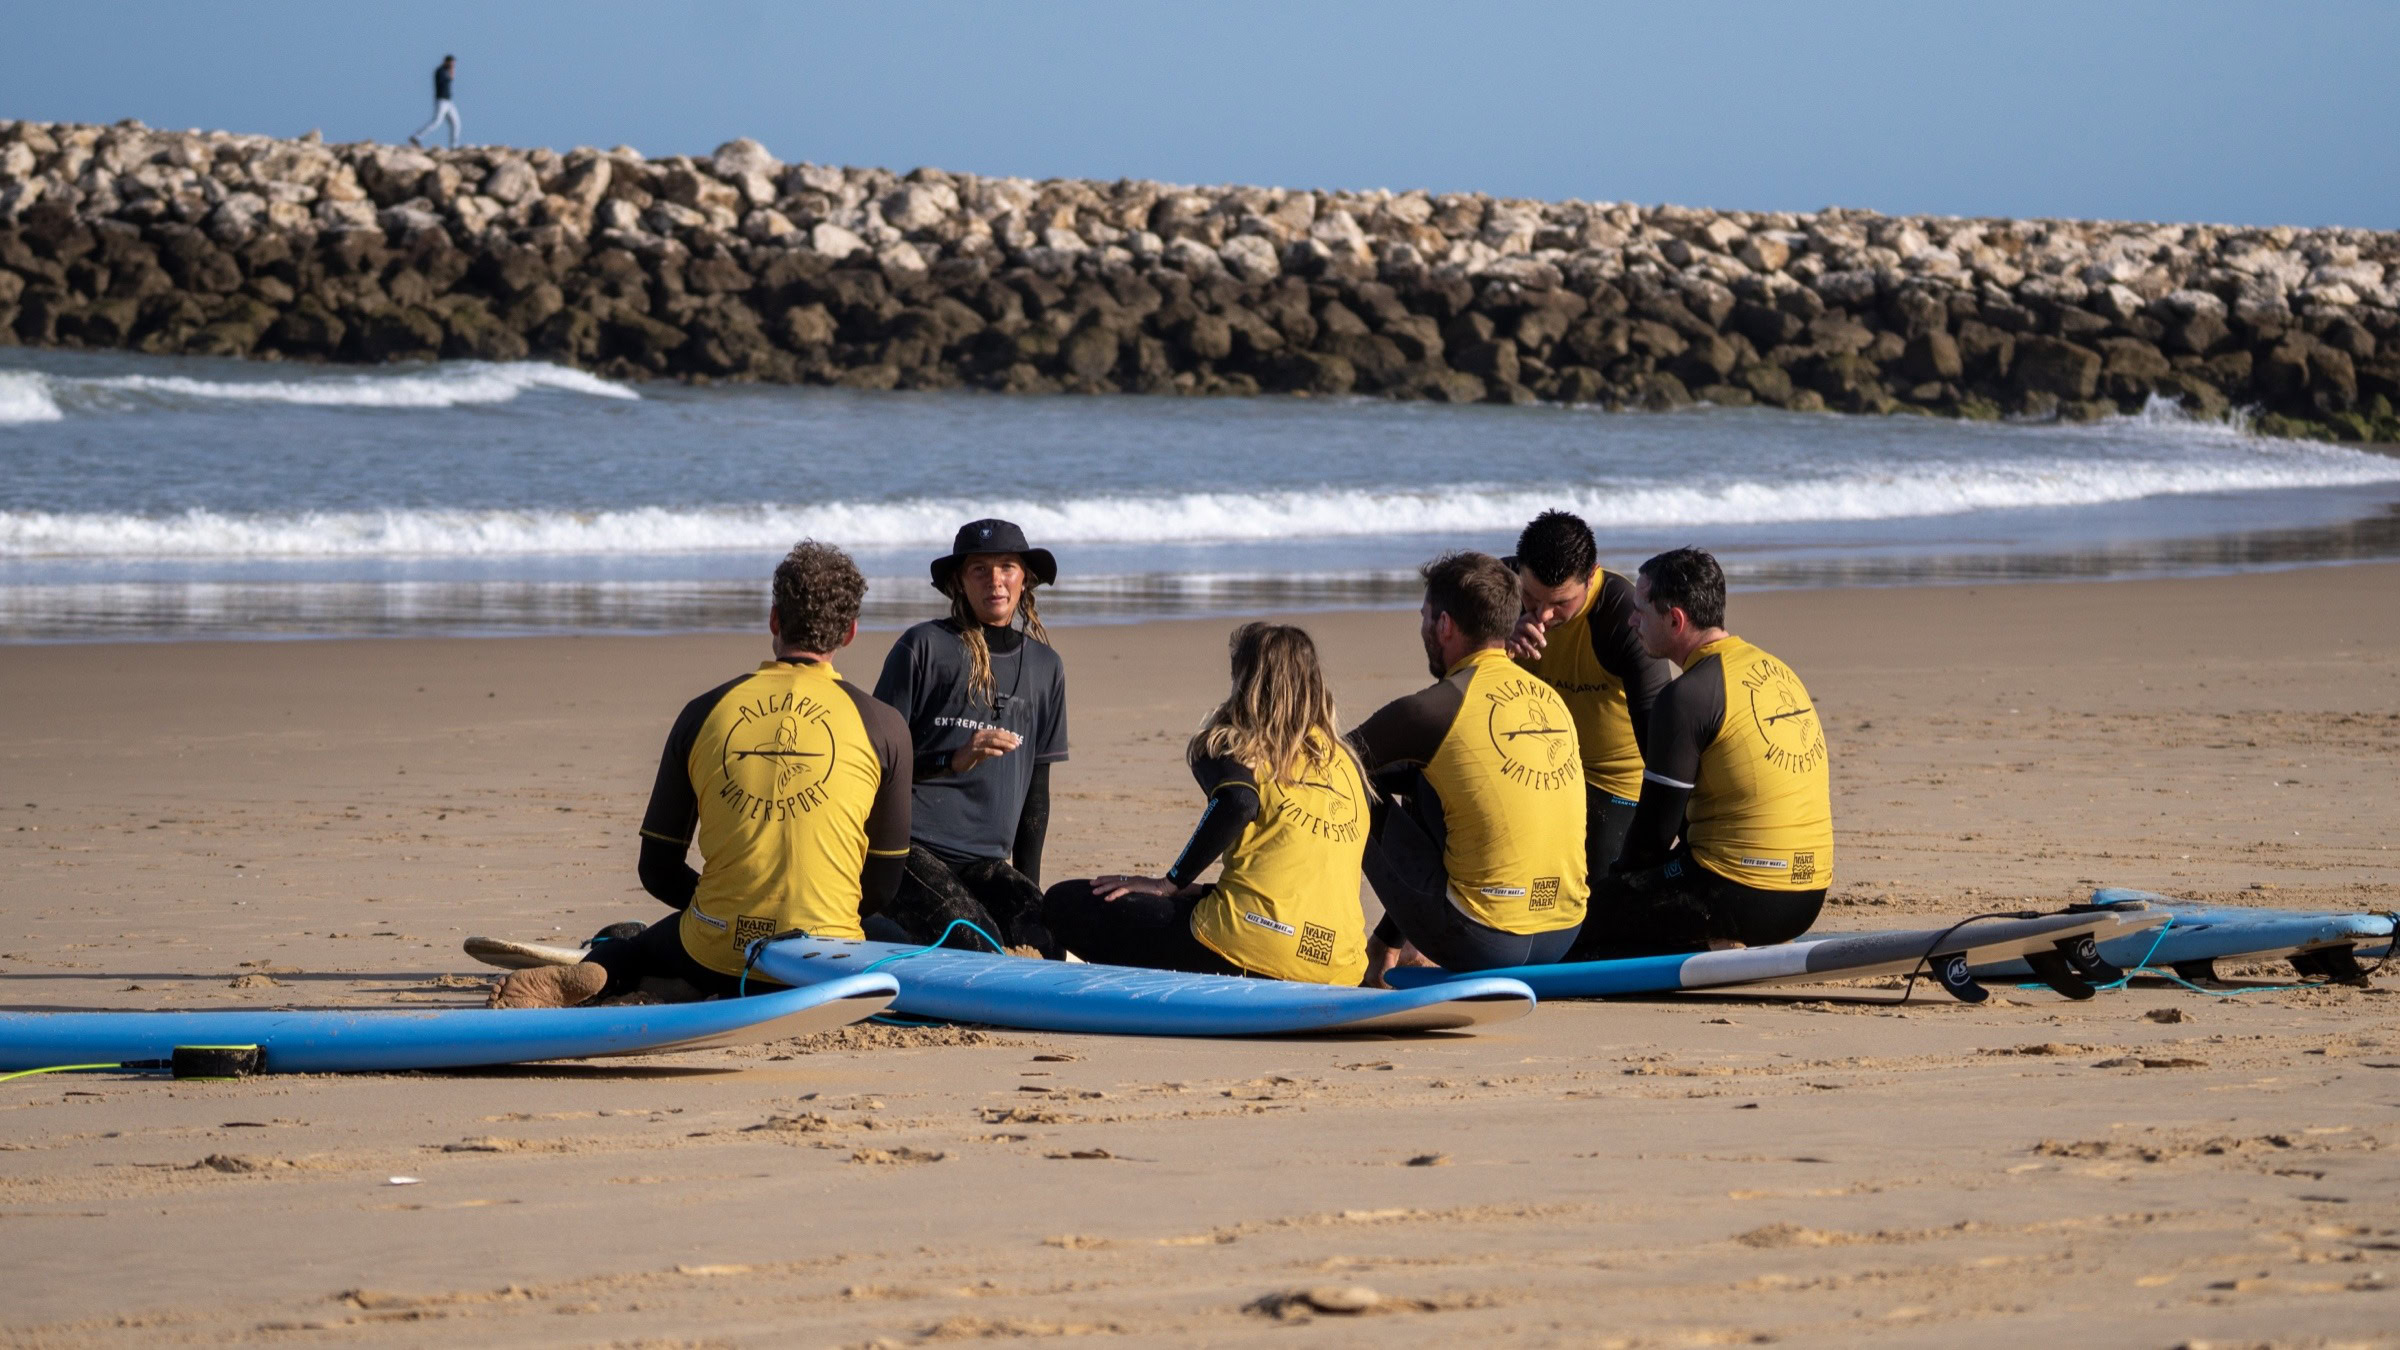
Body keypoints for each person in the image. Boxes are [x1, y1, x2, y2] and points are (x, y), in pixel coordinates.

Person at [489, 541, 911, 1007]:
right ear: (850, 632)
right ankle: (713, 976)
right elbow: (883, 885)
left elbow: (657, 869)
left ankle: (617, 972)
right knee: (894, 934)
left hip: (716, 949)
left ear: (774, 619)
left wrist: (723, 907)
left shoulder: (704, 712)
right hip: (826, 960)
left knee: (651, 942)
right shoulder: (883, 724)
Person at [1043, 623, 1370, 983]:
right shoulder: (1346, 763)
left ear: (1245, 682)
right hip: (1341, 965)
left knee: (1065, 902)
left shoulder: (1237, 744)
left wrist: (1169, 883)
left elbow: (1239, 802)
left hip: (1255, 951)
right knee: (1199, 900)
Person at [1569, 547, 1832, 959]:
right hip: (1806, 897)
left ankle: (1703, 939)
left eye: (1641, 610)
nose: (1631, 620)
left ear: (1675, 620)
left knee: (1579, 923)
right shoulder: (1777, 669)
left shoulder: (1687, 695)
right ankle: (1712, 934)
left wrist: (1618, 889)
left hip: (1739, 897)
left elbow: (1654, 832)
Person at [1353, 551, 1588, 981]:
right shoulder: (1551, 700)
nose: (1423, 627)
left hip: (1482, 940)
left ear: (1444, 625)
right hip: (1563, 932)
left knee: (1350, 787)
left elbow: (1328, 762)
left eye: (1425, 616)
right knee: (1435, 777)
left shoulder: (1430, 711)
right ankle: (1388, 945)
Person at [871, 519, 1068, 957]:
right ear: (960, 581)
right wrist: (950, 760)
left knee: (1048, 941)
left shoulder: (1045, 666)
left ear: (1025, 579)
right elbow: (873, 763)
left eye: (1007, 567)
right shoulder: (923, 646)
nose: (994, 581)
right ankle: (870, 924)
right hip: (909, 849)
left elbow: (1037, 792)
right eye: (979, 569)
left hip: (983, 861)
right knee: (976, 942)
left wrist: (1027, 889)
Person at [1504, 510, 1676, 876]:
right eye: (1532, 598)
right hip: (1527, 766)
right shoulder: (1498, 593)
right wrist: (1494, 644)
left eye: (1560, 602)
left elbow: (1660, 742)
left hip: (1609, 779)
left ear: (1592, 575)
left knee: (1598, 899)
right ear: (1518, 570)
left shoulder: (1620, 615)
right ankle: (1396, 935)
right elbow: (1449, 685)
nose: (1544, 615)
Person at [409, 56, 462, 149]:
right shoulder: (440, 71)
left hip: (449, 101)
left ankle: (454, 146)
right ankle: (416, 137)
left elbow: (451, 79)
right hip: (441, 101)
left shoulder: (447, 71)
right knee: (436, 122)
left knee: (456, 123)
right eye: (451, 63)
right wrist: (451, 71)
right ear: (446, 62)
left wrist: (451, 71)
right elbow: (446, 81)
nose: (452, 65)